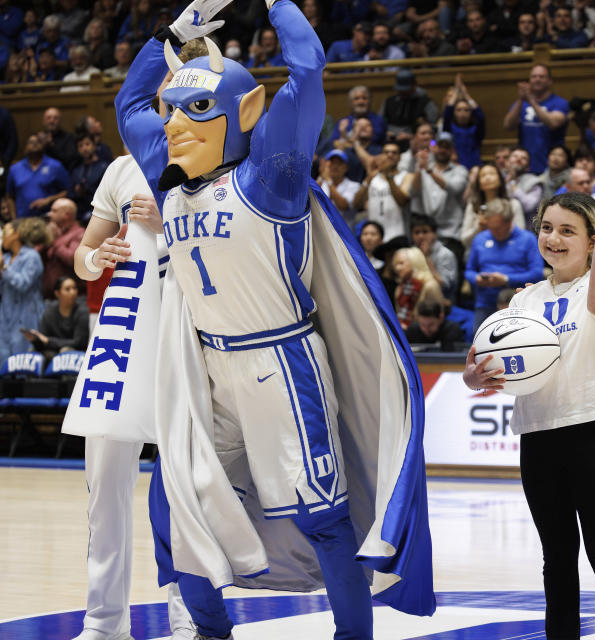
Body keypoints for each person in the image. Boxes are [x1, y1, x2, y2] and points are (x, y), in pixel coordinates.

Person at [114, 1, 434, 637]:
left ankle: (353, 633)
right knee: (181, 504)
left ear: (247, 114)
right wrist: (171, 35)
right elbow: (129, 106)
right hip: (206, 366)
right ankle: (210, 630)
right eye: (171, 110)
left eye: (196, 110)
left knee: (324, 517)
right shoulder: (169, 177)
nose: (175, 124)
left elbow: (307, 70)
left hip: (280, 363)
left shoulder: (272, 175)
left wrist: (279, 3)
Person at [464, 191, 595, 638]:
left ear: (588, 241)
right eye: (547, 228)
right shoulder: (523, 302)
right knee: (557, 557)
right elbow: (478, 367)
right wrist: (475, 378)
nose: (554, 239)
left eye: (568, 231)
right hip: (538, 435)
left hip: (592, 430)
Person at [464, 199, 542, 333]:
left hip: (517, 304)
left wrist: (506, 279)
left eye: (498, 228)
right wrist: (476, 278)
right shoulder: (480, 239)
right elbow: (469, 271)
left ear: (509, 221)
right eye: (491, 228)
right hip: (485, 303)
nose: (494, 232)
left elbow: (537, 273)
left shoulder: (528, 239)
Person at [503, 64, 570, 175]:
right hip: (525, 166)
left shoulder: (559, 103)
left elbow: (553, 123)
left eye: (541, 76)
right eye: (534, 77)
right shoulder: (521, 104)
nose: (537, 79)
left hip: (551, 167)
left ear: (549, 81)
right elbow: (508, 125)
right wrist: (520, 99)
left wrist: (532, 101)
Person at [0, 217, 48, 362]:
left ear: (16, 234)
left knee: (23, 358)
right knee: (3, 356)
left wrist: (3, 269)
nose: (2, 236)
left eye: (5, 232)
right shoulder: (6, 258)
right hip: (5, 313)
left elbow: (23, 283)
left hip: (26, 313)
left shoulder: (31, 256)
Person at [353, 142, 414, 241]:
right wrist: (368, 179)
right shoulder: (373, 178)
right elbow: (357, 204)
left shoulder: (406, 176)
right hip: (374, 236)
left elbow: (402, 201)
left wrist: (389, 175)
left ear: (399, 157)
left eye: (394, 153)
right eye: (386, 152)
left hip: (397, 233)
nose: (390, 155)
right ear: (381, 156)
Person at [460, 163, 524, 252]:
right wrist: (478, 228)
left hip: (509, 250)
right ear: (479, 183)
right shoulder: (473, 205)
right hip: (480, 251)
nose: (487, 178)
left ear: (500, 179)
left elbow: (521, 237)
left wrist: (501, 226)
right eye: (483, 175)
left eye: (491, 174)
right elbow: (465, 241)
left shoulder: (513, 204)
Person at [6, 133, 71, 218]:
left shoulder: (55, 166)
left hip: (49, 219)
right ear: (25, 148)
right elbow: (9, 196)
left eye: (38, 141)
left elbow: (68, 191)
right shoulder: (15, 169)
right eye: (31, 142)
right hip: (22, 220)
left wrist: (48, 200)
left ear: (43, 146)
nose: (35, 144)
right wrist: (14, 219)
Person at [441, 73, 485, 170]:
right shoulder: (449, 127)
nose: (462, 113)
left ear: (471, 113)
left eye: (466, 110)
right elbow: (447, 112)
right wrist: (456, 91)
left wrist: (466, 95)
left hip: (474, 166)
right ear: (454, 112)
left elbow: (480, 116)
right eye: (459, 110)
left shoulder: (476, 130)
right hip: (454, 167)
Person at [393, 245, 443, 329]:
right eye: (396, 264)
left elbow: (438, 319)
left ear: (414, 262)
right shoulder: (400, 288)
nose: (397, 268)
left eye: (401, 263)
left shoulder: (430, 286)